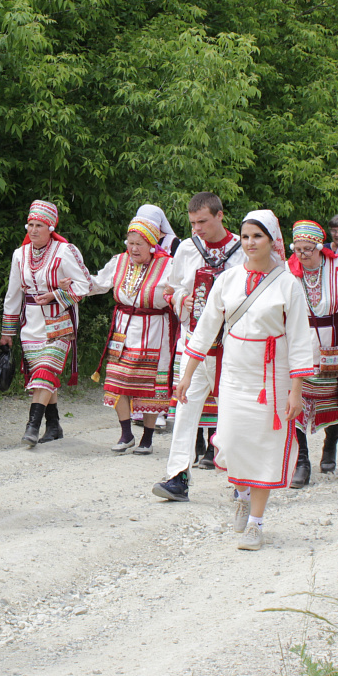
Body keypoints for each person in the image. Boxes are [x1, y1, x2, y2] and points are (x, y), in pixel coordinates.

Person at [174, 210, 313, 550]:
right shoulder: (228, 279)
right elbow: (205, 329)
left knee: (264, 446)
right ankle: (241, 495)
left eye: (257, 236)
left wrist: (296, 392)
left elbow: (299, 339)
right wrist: (187, 375)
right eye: (246, 236)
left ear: (272, 240)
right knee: (231, 441)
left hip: (272, 376)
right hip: (234, 373)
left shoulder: (288, 284)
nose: (250, 243)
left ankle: (256, 523)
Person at [153, 192, 245, 501]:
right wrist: (185, 299)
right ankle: (177, 476)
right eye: (192, 223)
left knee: (233, 412)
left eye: (203, 221)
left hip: (231, 345)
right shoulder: (187, 248)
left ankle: (242, 480)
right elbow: (171, 288)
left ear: (220, 215)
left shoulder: (242, 250)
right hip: (192, 341)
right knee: (184, 408)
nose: (197, 229)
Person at [79, 217, 176, 454]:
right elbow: (97, 284)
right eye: (130, 243)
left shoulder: (168, 265)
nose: (133, 248)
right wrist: (72, 283)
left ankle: (147, 438)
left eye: (139, 244)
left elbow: (180, 291)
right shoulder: (119, 262)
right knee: (116, 380)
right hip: (122, 329)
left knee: (150, 384)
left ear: (151, 245)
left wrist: (176, 296)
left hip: (154, 330)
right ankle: (126, 434)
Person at [1, 200, 91, 446]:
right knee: (43, 375)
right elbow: (13, 294)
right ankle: (53, 425)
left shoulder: (65, 251)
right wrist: (7, 331)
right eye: (30, 225)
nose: (33, 230)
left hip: (59, 323)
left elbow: (85, 285)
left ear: (51, 227)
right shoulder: (20, 254)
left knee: (45, 371)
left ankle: (32, 427)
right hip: (30, 324)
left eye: (39, 225)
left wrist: (56, 295)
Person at [286, 220, 338, 487]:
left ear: (320, 247)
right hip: (299, 340)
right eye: (298, 249)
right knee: (295, 397)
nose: (302, 254)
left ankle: (330, 445)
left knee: (334, 397)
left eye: (308, 249)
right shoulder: (286, 270)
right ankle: (302, 460)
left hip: (334, 340)